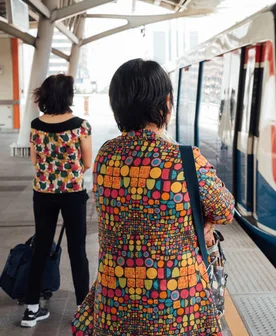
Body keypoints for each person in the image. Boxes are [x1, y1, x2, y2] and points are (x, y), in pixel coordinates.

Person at [72, 59, 235, 336]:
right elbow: (225, 209)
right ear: (166, 103)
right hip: (176, 302)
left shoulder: (106, 155)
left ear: (118, 105)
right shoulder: (183, 159)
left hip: (116, 298)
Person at [22, 74, 92, 327]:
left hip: (42, 193)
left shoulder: (35, 125)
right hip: (72, 194)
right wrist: (69, 172)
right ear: (68, 95)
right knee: (77, 252)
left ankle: (31, 310)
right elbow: (87, 162)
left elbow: (34, 161)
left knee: (40, 247)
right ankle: (82, 311)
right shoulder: (80, 125)